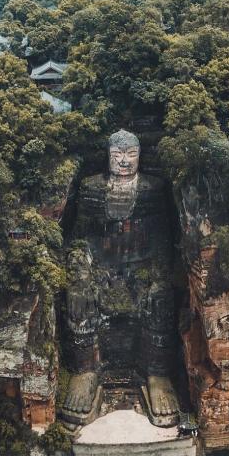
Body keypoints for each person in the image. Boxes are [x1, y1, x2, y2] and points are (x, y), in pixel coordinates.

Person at [61, 129, 179, 428]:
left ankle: (157, 373)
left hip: (141, 267)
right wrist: (80, 264)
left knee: (161, 295)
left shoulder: (153, 189)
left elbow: (163, 238)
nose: (124, 161)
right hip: (101, 266)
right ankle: (85, 371)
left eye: (131, 155)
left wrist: (159, 273)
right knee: (77, 291)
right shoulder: (92, 188)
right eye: (117, 155)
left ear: (140, 156)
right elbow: (80, 235)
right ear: (107, 157)